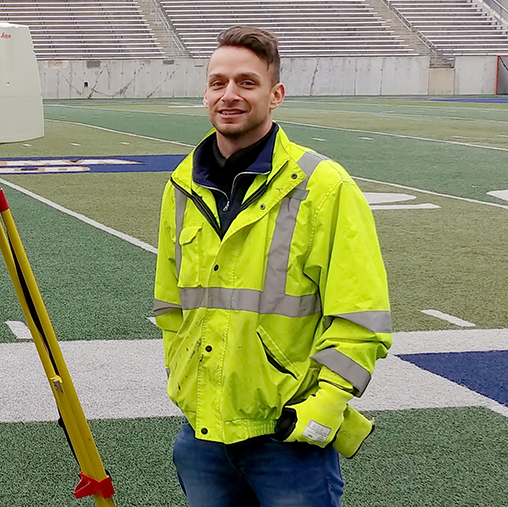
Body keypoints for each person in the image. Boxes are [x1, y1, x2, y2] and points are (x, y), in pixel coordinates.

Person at [152, 26, 392, 507]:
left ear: (275, 94)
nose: (229, 95)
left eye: (246, 82)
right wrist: (186, 386)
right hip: (202, 436)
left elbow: (361, 314)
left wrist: (325, 404)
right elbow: (170, 303)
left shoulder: (323, 186)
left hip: (287, 437)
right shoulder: (181, 185)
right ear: (205, 93)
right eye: (218, 82)